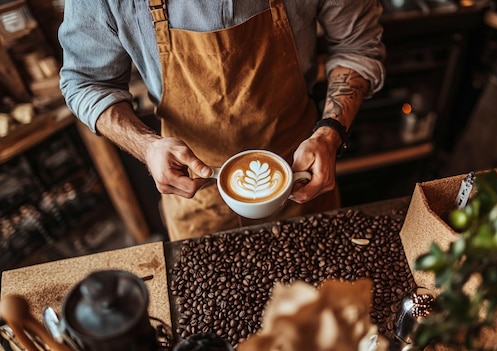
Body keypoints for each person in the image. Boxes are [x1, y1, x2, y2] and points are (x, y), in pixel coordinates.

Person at [58, 0, 385, 241]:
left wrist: (330, 133)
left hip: (300, 177)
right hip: (194, 193)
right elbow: (87, 81)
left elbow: (356, 46)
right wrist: (147, 147)